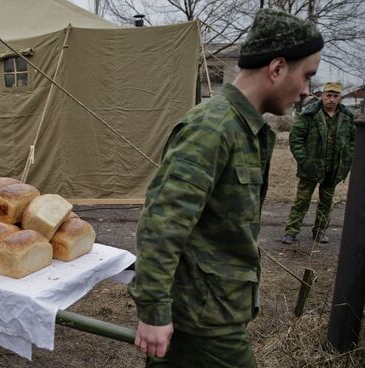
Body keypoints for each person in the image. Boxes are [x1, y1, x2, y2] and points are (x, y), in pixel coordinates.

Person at [128, 9, 323, 367]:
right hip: (204, 321)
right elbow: (161, 223)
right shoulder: (213, 129)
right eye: (307, 75)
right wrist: (154, 310)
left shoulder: (242, 129)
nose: (308, 90)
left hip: (216, 309)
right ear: (277, 68)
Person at [282, 81, 355, 244]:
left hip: (334, 168)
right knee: (302, 200)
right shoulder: (309, 114)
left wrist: (347, 159)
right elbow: (296, 138)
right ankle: (291, 231)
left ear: (340, 97)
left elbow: (353, 140)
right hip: (311, 167)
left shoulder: (347, 117)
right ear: (322, 96)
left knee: (326, 202)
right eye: (328, 95)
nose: (331, 99)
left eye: (335, 96)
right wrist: (304, 160)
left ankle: (320, 231)